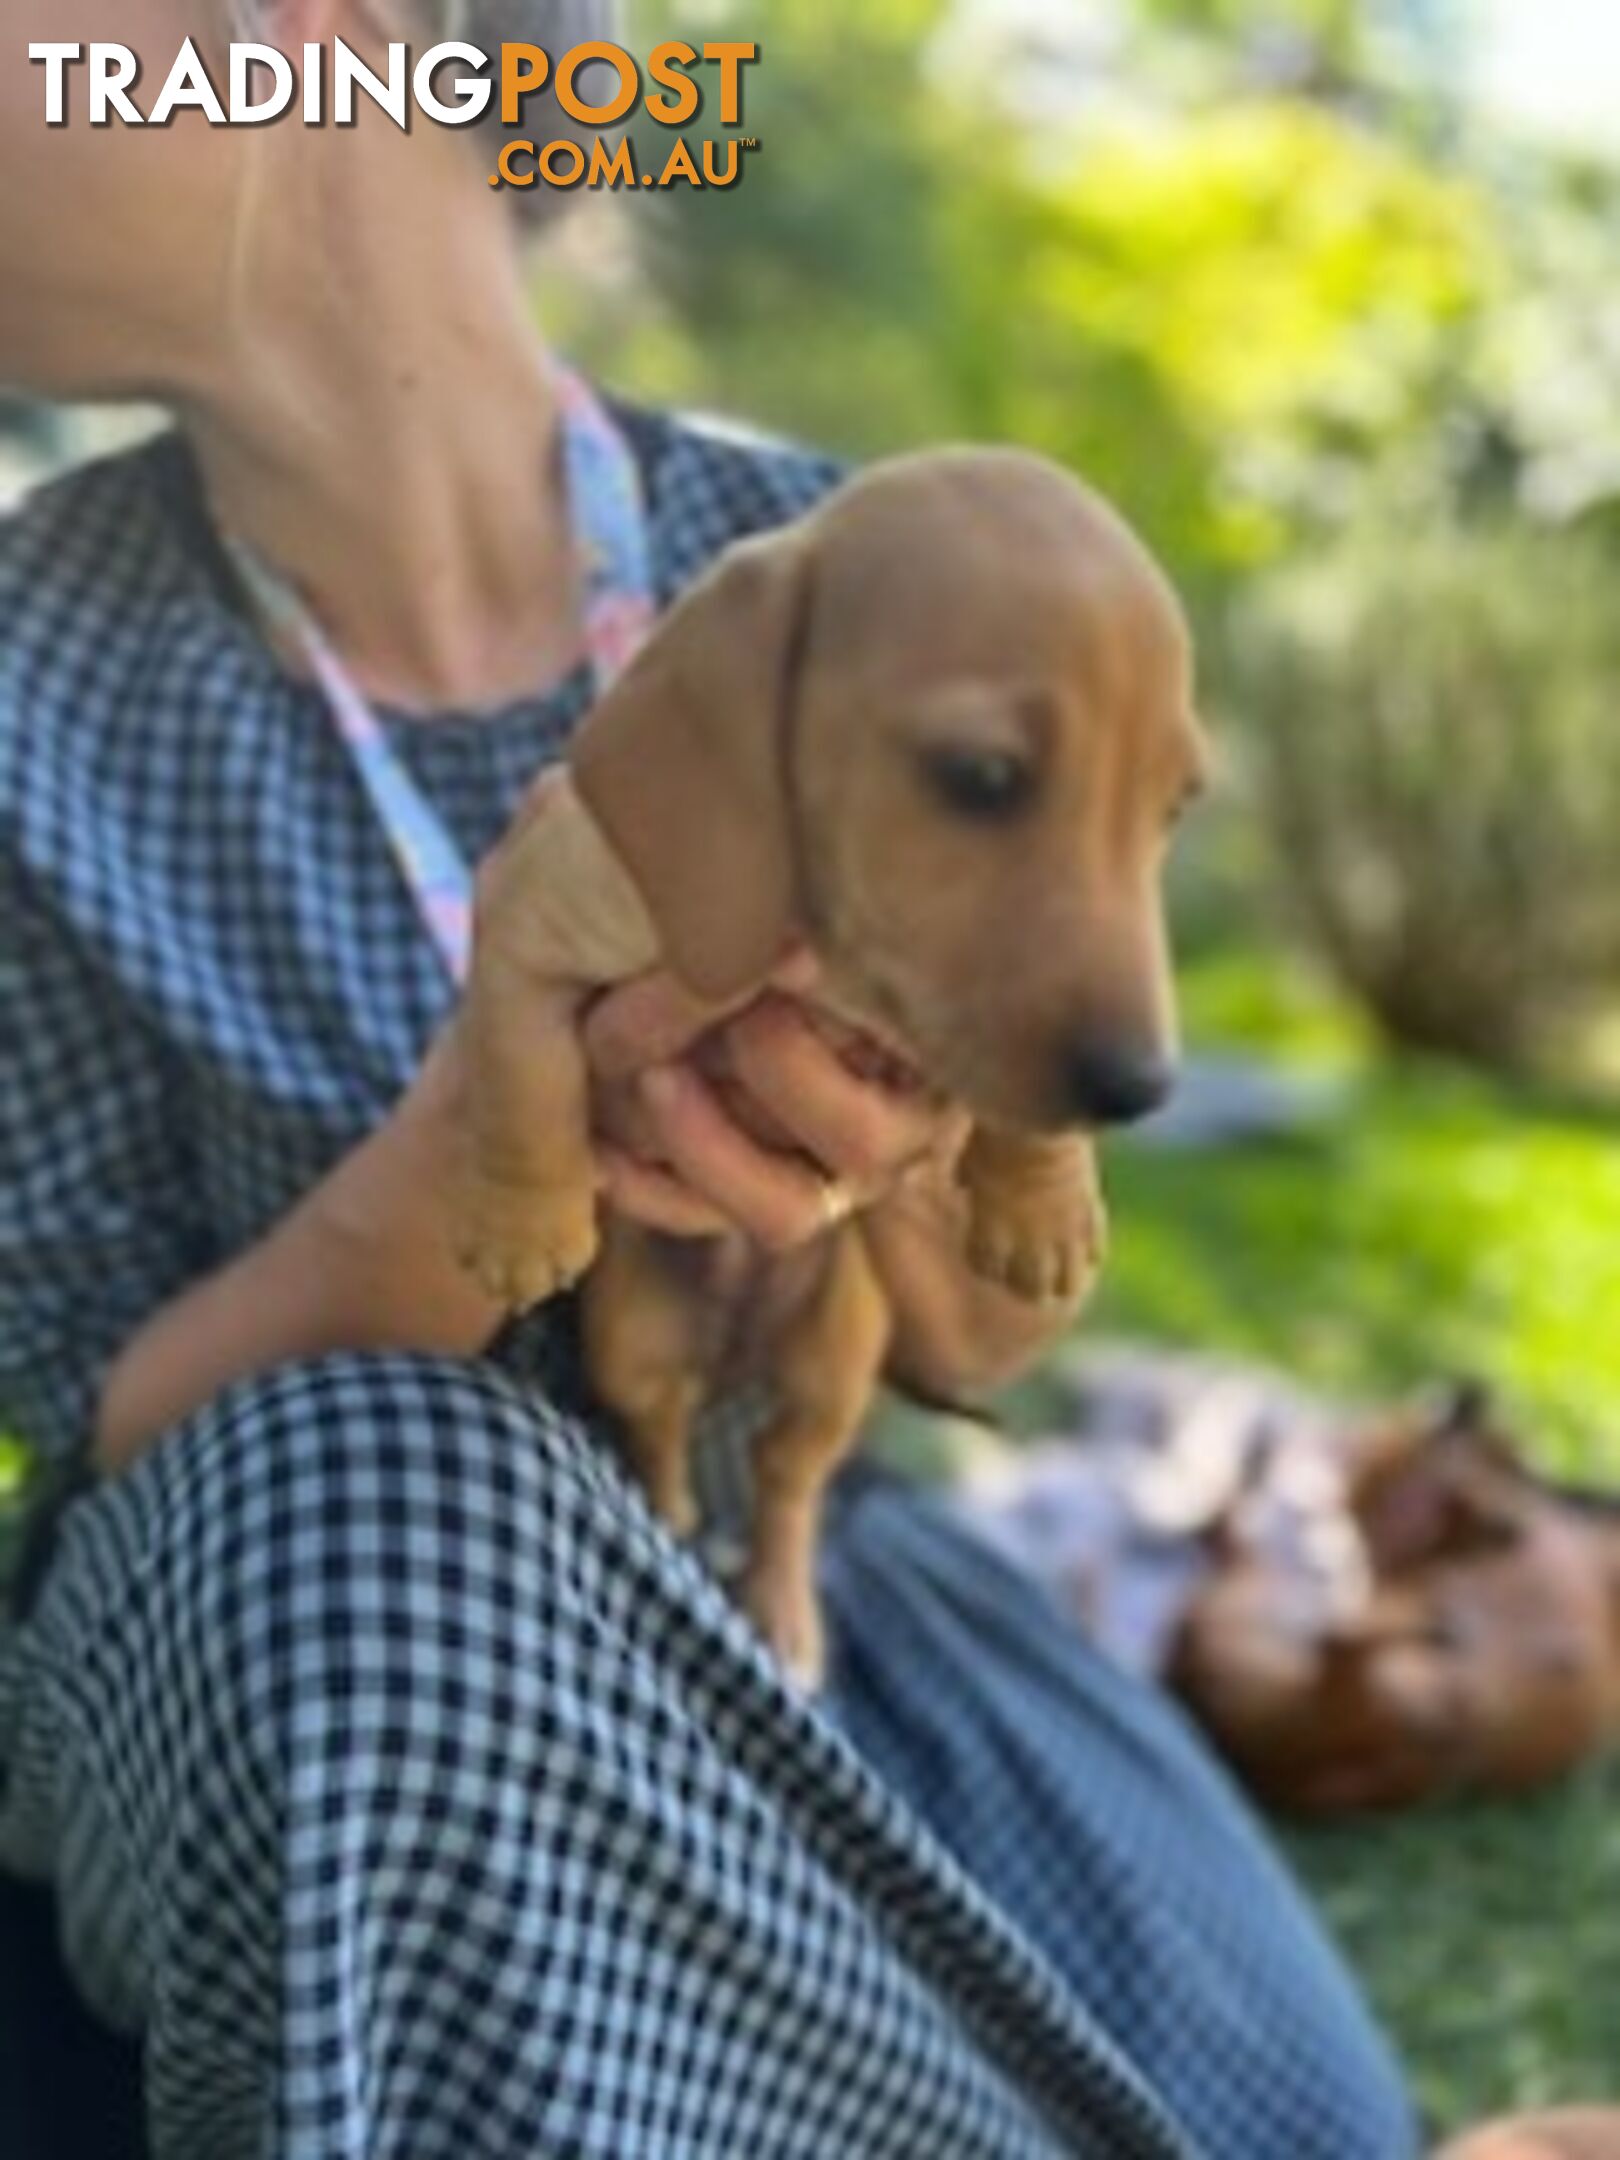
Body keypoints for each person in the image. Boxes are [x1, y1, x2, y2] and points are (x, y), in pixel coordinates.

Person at [0, 2, 1414, 2152]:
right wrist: (509, 1117)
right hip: (300, 1680)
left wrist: (912, 1166)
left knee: (1298, 2115)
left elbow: (985, 1332)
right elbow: (101, 1416)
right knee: (357, 1513)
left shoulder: (867, 562)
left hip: (817, 1601)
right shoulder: (27, 688)